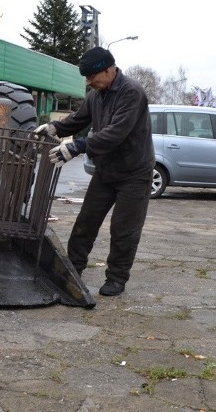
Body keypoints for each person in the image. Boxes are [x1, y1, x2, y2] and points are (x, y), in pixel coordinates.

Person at [34, 47, 154, 297]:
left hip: (134, 173)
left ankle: (117, 278)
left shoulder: (131, 92)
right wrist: (54, 127)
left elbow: (115, 133)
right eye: (86, 78)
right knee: (85, 223)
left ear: (109, 70)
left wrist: (78, 146)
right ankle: (73, 268)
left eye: (92, 77)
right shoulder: (96, 95)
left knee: (124, 229)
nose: (89, 82)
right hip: (106, 170)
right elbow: (79, 120)